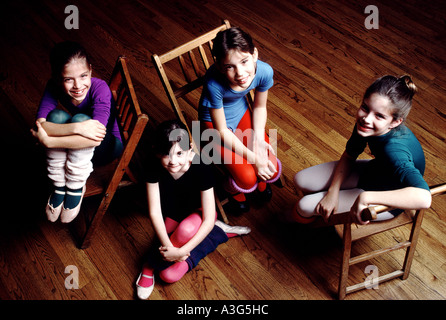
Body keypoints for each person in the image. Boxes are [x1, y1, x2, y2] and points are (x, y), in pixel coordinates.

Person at [293, 75, 431, 225]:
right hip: (375, 171)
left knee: (304, 206)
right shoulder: (365, 124)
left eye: (379, 116)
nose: (367, 118)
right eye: (365, 107)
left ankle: (298, 221)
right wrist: (332, 193)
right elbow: (349, 156)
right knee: (300, 180)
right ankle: (316, 212)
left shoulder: (395, 151)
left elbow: (424, 198)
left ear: (395, 122)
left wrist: (366, 198)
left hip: (390, 197)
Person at [136, 120, 251, 300]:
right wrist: (168, 247)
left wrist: (182, 252)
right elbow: (155, 212)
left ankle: (149, 265)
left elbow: (207, 218)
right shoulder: (153, 163)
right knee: (168, 276)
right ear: (157, 152)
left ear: (190, 150)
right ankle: (218, 233)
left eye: (179, 153)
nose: (173, 161)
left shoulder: (201, 166)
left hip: (199, 213)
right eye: (166, 154)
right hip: (172, 213)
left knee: (185, 230)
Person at [31, 41, 123, 223]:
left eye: (83, 76)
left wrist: (49, 142)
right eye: (68, 79)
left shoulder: (100, 89)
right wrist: (75, 128)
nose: (77, 85)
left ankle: (74, 185)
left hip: (108, 146)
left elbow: (95, 139)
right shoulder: (53, 86)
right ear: (58, 78)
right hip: (79, 142)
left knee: (81, 119)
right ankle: (59, 184)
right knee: (57, 116)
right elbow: (40, 124)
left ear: (90, 70)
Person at [199, 27, 282, 214]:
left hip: (240, 114)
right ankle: (229, 187)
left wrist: (259, 139)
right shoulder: (213, 83)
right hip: (215, 127)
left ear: (255, 54)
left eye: (244, 61)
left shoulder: (264, 71)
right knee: (247, 177)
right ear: (220, 67)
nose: (240, 73)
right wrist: (253, 159)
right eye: (230, 66)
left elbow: (260, 107)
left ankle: (257, 179)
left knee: (272, 167)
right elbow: (221, 131)